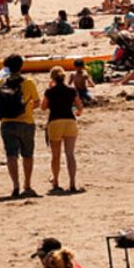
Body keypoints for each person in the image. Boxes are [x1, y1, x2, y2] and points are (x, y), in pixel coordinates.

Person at [0, 54, 40, 200]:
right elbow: (37, 102)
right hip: (26, 122)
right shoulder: (28, 82)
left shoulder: (0, 82)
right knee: (27, 154)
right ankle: (27, 184)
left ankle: (15, 185)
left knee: (11, 155)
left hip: (7, 122)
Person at [41, 66, 84, 194]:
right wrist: (78, 112)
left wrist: (50, 88)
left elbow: (43, 107)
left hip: (55, 121)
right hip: (70, 121)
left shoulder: (49, 91)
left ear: (52, 78)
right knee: (70, 154)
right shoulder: (71, 90)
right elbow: (79, 106)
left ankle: (56, 181)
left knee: (56, 155)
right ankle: (72, 183)